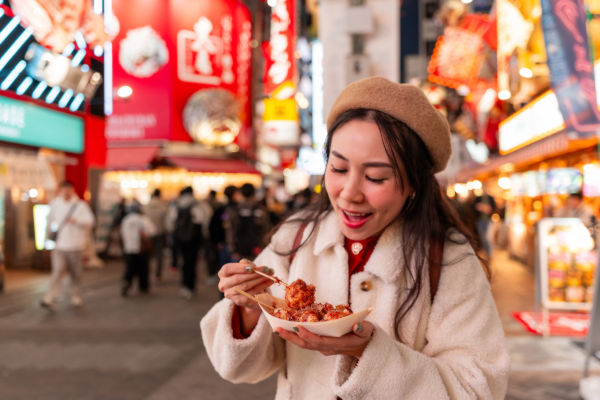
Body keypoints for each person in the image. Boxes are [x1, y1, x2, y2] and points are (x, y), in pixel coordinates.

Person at [201, 77, 509, 399]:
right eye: (338, 169)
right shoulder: (297, 237)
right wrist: (250, 308)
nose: (349, 194)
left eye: (375, 177)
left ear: (415, 183)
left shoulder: (448, 259)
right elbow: (238, 368)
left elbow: (478, 387)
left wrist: (371, 356)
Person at [41, 181, 95, 310]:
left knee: (75, 273)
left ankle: (76, 296)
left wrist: (77, 221)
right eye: (64, 189)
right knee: (57, 271)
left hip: (76, 245)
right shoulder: (55, 204)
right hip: (59, 245)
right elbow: (48, 224)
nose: (66, 192)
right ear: (60, 190)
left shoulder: (80, 205)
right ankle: (50, 297)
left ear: (72, 190)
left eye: (68, 189)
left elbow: (90, 221)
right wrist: (46, 242)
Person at [166, 186, 209, 299]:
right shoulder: (196, 205)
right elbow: (202, 219)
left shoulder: (176, 205)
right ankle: (191, 286)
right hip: (193, 239)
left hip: (180, 238)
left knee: (184, 261)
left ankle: (184, 285)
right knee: (192, 262)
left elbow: (171, 221)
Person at [225, 183, 271, 261]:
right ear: (254, 193)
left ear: (241, 193)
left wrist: (232, 250)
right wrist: (264, 247)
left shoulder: (234, 210)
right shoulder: (261, 209)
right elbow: (266, 229)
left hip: (240, 249)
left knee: (241, 271)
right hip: (257, 249)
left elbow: (230, 230)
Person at [120, 201, 157, 296]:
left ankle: (126, 281)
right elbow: (152, 231)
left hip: (128, 248)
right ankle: (143, 286)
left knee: (129, 267)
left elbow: (122, 234)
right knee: (143, 268)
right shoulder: (143, 219)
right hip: (141, 249)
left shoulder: (125, 220)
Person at [143, 189, 168, 281]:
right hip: (159, 233)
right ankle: (158, 274)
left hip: (147, 234)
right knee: (159, 255)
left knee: (147, 255)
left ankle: (146, 274)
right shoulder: (163, 207)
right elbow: (166, 222)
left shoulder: (145, 207)